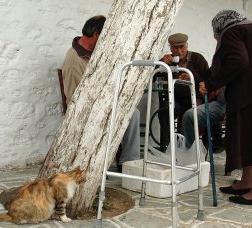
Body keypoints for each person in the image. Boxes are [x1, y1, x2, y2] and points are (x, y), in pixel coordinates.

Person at [199, 10, 252, 206]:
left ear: (219, 27)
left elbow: (238, 61)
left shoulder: (231, 32)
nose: (217, 39)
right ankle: (246, 182)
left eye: (216, 35)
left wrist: (211, 83)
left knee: (251, 137)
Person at [62, 15, 140, 172]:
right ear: (97, 34)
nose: (109, 41)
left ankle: (129, 163)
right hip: (87, 111)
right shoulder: (74, 59)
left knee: (133, 112)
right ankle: (106, 165)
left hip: (103, 104)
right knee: (129, 114)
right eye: (107, 35)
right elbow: (75, 97)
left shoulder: (96, 53)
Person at [154, 33, 209, 152]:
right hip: (173, 99)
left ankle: (184, 149)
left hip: (193, 100)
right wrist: (162, 64)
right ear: (170, 48)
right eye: (175, 48)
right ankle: (167, 149)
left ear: (187, 45)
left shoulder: (198, 59)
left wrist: (192, 77)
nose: (179, 51)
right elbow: (152, 77)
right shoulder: (167, 61)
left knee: (188, 115)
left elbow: (208, 79)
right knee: (165, 111)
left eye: (182, 46)